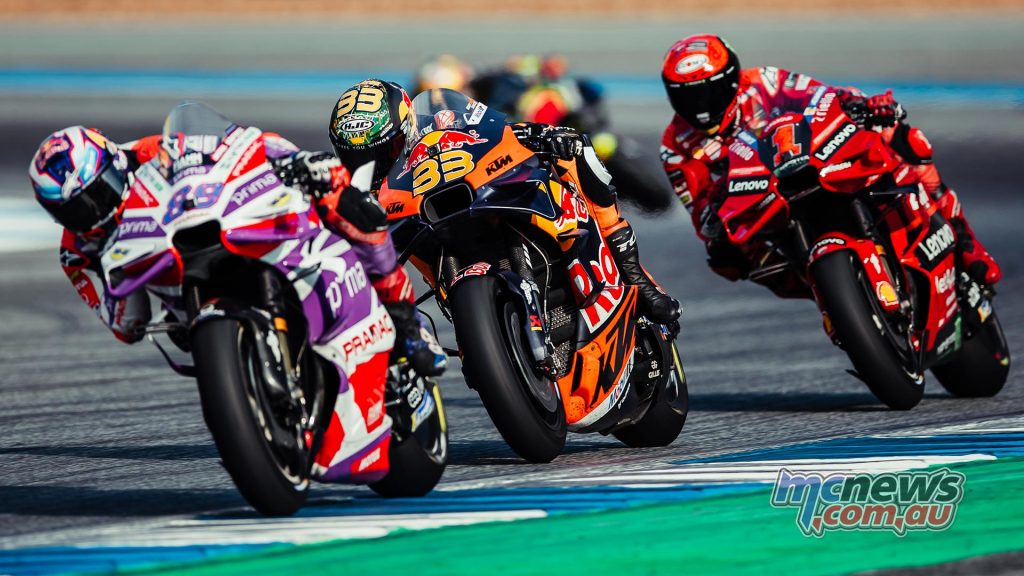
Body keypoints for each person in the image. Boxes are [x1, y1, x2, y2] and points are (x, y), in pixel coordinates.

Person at [659, 34, 1001, 287]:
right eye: (686, 96)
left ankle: (965, 240)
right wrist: (718, 213)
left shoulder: (764, 82)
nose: (700, 106)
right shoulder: (675, 146)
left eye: (709, 91)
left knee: (901, 137)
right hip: (764, 206)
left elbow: (824, 96)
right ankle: (836, 304)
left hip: (815, 164)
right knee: (735, 260)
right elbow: (700, 213)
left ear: (732, 78)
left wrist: (861, 104)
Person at [327, 79, 681, 324]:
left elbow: (488, 128)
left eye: (383, 152)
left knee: (574, 146)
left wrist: (533, 134)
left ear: (406, 132)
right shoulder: (357, 195)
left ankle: (634, 274)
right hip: (427, 232)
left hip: (479, 194)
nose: (371, 167)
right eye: (357, 159)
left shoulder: (438, 127)